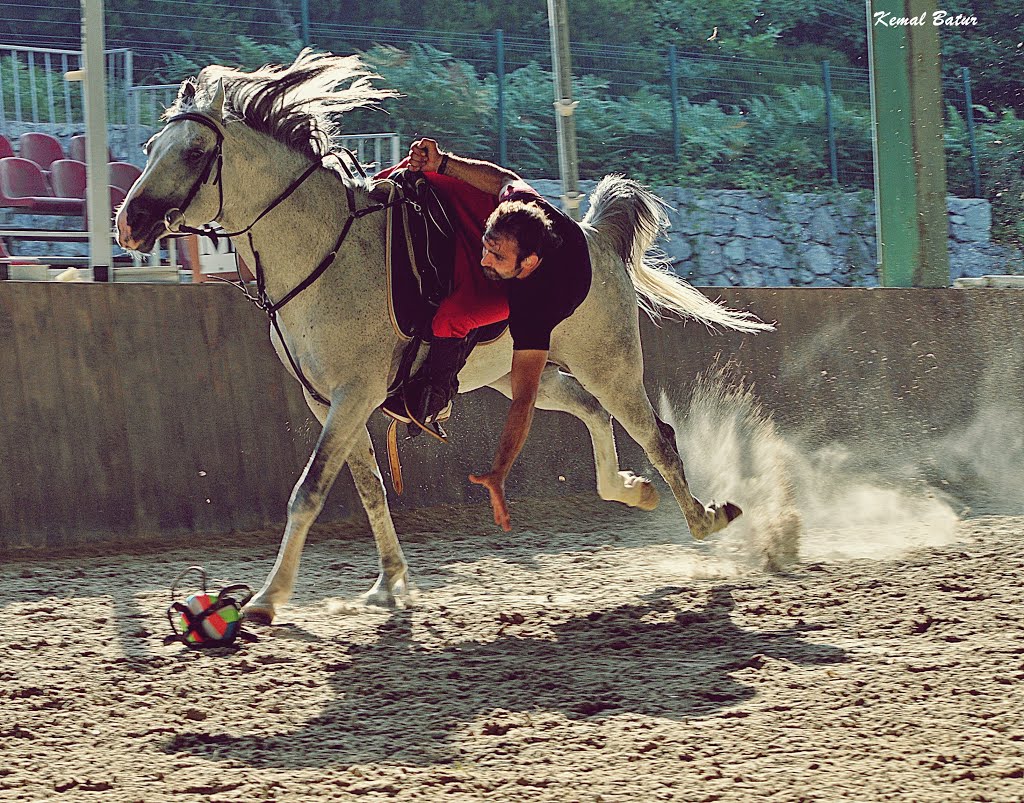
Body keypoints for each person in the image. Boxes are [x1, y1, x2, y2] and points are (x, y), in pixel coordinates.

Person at [387, 138, 592, 531]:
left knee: (452, 318)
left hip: (517, 285)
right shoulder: (519, 204)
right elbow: (502, 177)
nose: (484, 260)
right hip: (502, 227)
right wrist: (442, 162)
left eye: (495, 257)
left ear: (528, 264)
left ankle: (436, 396)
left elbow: (524, 400)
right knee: (415, 177)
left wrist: (500, 472)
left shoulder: (538, 307)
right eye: (486, 249)